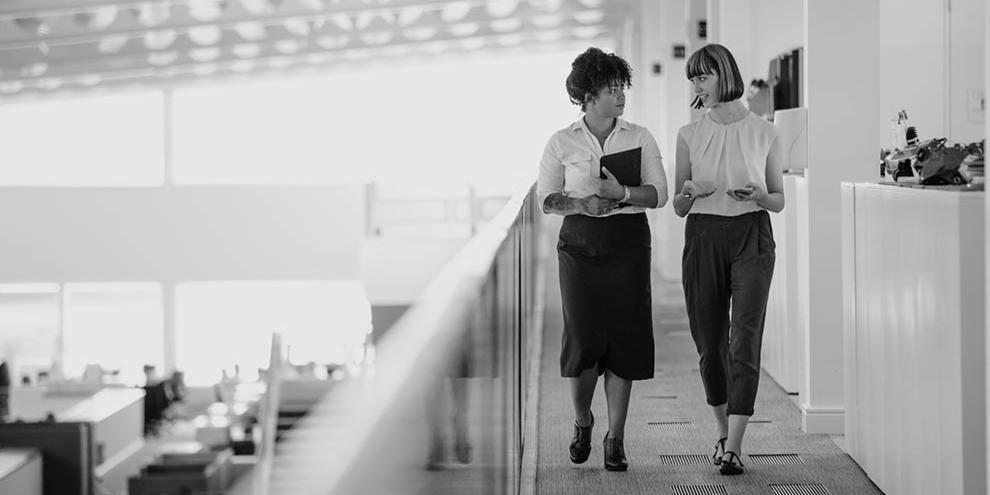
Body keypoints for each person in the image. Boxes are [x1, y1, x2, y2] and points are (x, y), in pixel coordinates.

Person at [537, 47, 668, 471]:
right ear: (588, 94)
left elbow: (659, 194)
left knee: (625, 339)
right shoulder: (561, 141)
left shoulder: (640, 136)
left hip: (629, 242)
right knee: (583, 337)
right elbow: (547, 200)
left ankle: (616, 437)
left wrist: (622, 194)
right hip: (579, 245)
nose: (620, 94)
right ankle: (582, 420)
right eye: (612, 88)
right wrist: (582, 206)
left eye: (622, 86)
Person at [673, 43, 785, 475]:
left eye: (703, 75)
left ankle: (735, 445)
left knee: (745, 339)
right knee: (709, 343)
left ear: (724, 75)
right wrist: (688, 193)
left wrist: (760, 195)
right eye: (693, 78)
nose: (697, 84)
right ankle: (721, 430)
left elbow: (777, 199)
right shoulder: (689, 133)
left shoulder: (764, 131)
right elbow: (678, 205)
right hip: (702, 236)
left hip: (752, 234)